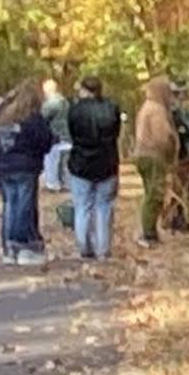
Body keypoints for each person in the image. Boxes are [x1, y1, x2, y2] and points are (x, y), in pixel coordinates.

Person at [0, 79, 53, 266]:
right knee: (24, 206)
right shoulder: (32, 117)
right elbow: (45, 140)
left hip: (5, 165)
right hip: (26, 166)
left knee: (10, 206)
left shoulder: (2, 115)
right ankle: (22, 244)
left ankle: (8, 246)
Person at [65, 73, 123, 261]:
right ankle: (103, 249)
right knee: (104, 207)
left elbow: (72, 133)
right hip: (106, 163)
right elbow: (116, 134)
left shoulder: (75, 110)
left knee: (82, 206)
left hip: (81, 163)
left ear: (83, 90)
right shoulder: (112, 108)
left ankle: (84, 247)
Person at [132, 76, 183, 245]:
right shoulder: (156, 110)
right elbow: (163, 136)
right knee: (155, 194)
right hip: (154, 156)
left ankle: (150, 231)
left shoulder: (148, 107)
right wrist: (171, 150)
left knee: (151, 193)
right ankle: (148, 234)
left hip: (145, 155)